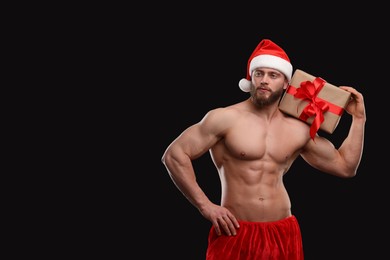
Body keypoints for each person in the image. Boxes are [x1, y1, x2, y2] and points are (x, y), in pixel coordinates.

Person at [161, 38, 366, 260]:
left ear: (287, 83)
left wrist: (359, 118)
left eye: (273, 75)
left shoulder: (297, 128)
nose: (264, 81)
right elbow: (174, 155)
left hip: (282, 232)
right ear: (250, 78)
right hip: (235, 230)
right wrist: (205, 206)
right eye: (258, 74)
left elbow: (345, 166)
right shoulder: (224, 118)